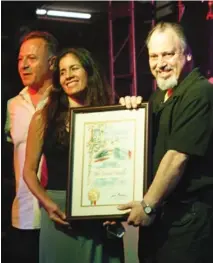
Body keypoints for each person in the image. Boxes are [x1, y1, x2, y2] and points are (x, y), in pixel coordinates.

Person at [119, 22, 213, 263]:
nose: (160, 63)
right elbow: (140, 151)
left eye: (168, 54)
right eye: (154, 56)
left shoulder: (200, 92)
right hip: (160, 221)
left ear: (188, 54)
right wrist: (130, 113)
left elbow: (177, 158)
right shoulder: (159, 96)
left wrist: (148, 205)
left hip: (187, 223)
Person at [23, 47, 124, 263]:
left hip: (100, 214)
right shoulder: (43, 118)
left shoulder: (112, 114)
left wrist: (116, 208)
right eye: (62, 71)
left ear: (89, 71)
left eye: (74, 68)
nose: (68, 76)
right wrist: (48, 204)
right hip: (59, 214)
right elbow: (29, 172)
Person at [4, 31, 58, 263]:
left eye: (32, 58)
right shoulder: (12, 105)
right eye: (20, 59)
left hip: (60, 214)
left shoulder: (65, 100)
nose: (24, 65)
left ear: (52, 62)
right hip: (24, 216)